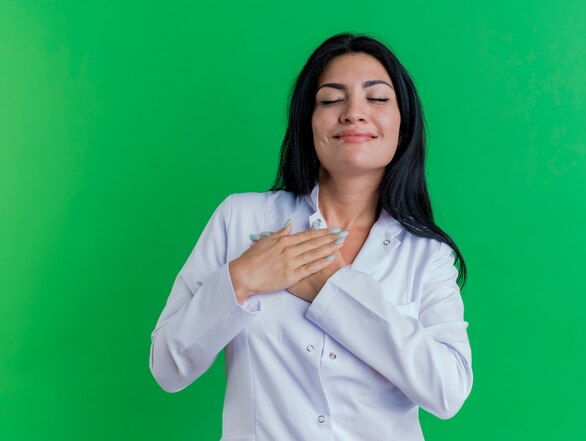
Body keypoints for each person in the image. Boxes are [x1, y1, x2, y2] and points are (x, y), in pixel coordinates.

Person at [149, 32, 473, 441]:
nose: (354, 112)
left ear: (402, 126)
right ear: (308, 122)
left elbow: (448, 391)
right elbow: (167, 366)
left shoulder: (427, 255)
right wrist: (242, 279)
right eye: (331, 99)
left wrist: (335, 290)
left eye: (376, 98)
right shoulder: (241, 218)